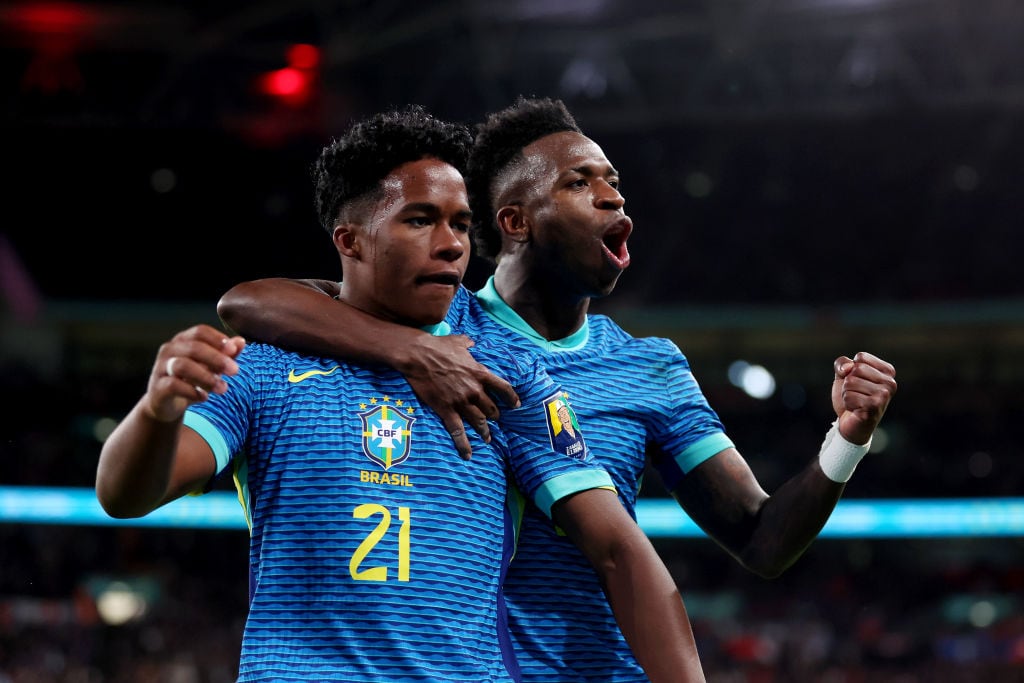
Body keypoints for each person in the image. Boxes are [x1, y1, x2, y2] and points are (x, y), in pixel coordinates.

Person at [216, 97, 898, 681]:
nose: (613, 196)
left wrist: (846, 440)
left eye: (614, 181)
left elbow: (762, 540)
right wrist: (413, 350)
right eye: (581, 181)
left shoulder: (649, 366)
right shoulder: (435, 314)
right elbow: (252, 303)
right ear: (515, 221)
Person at [96, 105, 705, 682]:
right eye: (420, 220)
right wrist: (157, 411)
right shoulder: (266, 369)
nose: (452, 245)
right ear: (350, 241)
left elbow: (621, 553)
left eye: (462, 224)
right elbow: (125, 494)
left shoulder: (508, 376)